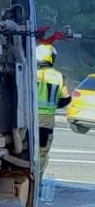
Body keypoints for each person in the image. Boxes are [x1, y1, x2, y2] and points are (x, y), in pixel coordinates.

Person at [37, 43, 71, 171]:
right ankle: (37, 178)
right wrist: (53, 105)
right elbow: (66, 99)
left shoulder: (28, 73)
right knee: (41, 151)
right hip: (46, 121)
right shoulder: (59, 76)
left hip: (26, 117)